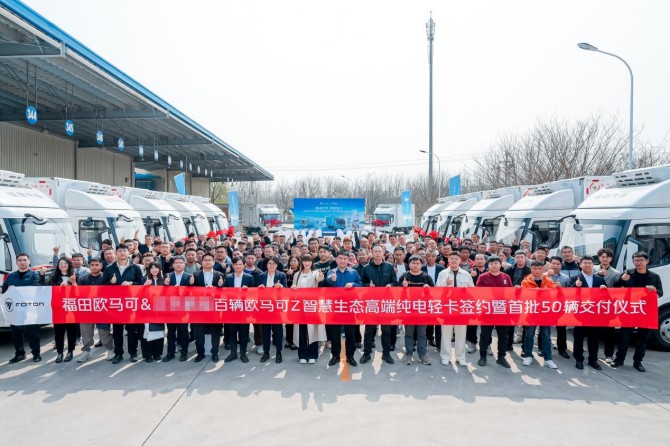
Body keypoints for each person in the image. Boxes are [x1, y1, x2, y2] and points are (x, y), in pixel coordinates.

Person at [612, 251, 663, 372]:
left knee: (642, 339)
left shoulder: (654, 276)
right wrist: (622, 279)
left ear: (647, 261)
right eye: (636, 260)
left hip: (645, 312)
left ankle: (638, 362)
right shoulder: (628, 273)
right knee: (624, 337)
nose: (638, 262)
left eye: (641, 260)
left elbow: (660, 293)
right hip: (629, 310)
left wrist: (654, 290)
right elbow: (616, 286)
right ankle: (619, 359)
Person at [103, 244, 145, 364]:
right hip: (116, 304)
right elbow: (102, 286)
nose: (122, 253)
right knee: (117, 331)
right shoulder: (109, 268)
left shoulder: (135, 267)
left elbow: (141, 284)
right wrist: (111, 283)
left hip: (130, 303)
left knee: (132, 330)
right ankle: (118, 353)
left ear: (128, 252)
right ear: (116, 253)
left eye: (124, 251)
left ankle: (133, 352)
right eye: (119, 251)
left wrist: (131, 283)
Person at [2, 253, 45, 363]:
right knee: (16, 332)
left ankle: (36, 353)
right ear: (16, 262)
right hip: (15, 309)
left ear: (28, 261)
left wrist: (16, 290)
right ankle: (20, 354)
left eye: (24, 260)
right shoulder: (11, 276)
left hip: (30, 309)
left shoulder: (34, 275)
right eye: (20, 260)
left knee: (33, 332)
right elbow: (4, 290)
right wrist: (5, 290)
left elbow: (37, 288)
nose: (22, 262)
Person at [360, 244, 398, 365]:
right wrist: (368, 286)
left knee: (386, 330)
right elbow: (361, 283)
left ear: (383, 253)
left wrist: (390, 285)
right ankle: (366, 353)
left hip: (386, 303)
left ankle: (386, 354)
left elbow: (395, 281)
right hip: (372, 303)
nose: (377, 253)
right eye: (375, 251)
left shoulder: (389, 267)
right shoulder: (366, 268)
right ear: (371, 252)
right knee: (369, 330)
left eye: (379, 251)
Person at [325, 250, 362, 367]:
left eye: (345, 259)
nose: (342, 261)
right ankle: (335, 355)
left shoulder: (353, 272)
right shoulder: (332, 272)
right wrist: (332, 279)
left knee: (350, 333)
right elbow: (328, 280)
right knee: (335, 333)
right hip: (335, 307)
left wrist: (353, 284)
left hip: (349, 307)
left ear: (348, 260)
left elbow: (360, 284)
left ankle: (350, 356)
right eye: (340, 258)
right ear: (336, 259)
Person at [436, 251, 473, 367]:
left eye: (456, 259)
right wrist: (445, 283)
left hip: (461, 307)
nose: (454, 261)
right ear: (448, 260)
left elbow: (473, 290)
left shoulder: (466, 274)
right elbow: (436, 289)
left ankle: (460, 357)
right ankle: (445, 356)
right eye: (452, 258)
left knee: (461, 333)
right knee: (446, 333)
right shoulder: (443, 273)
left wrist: (467, 290)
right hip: (447, 306)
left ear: (460, 260)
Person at [520, 260, 558, 369]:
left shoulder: (549, 281)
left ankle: (548, 358)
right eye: (534, 268)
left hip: (545, 312)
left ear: (543, 269)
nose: (537, 271)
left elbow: (555, 295)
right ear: (531, 269)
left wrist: (557, 288)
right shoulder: (526, 281)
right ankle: (528, 356)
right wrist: (533, 293)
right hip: (531, 312)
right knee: (529, 335)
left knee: (546, 336)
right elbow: (522, 296)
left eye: (539, 269)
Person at [571, 256, 607, 370]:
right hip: (580, 313)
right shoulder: (575, 278)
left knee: (594, 339)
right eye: (585, 263)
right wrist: (575, 286)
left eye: (589, 263)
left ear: (593, 265)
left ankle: (593, 360)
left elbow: (606, 297)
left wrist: (604, 289)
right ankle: (579, 360)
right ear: (580, 265)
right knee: (578, 338)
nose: (587, 265)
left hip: (595, 314)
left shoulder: (600, 279)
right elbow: (567, 295)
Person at [475, 256, 512, 368]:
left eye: (496, 263)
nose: (493, 265)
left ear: (500, 264)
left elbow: (510, 293)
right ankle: (483, 356)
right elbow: (479, 293)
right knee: (485, 335)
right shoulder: (483, 277)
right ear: (488, 265)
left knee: (503, 336)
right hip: (487, 311)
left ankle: (501, 357)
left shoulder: (506, 277)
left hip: (502, 311)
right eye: (491, 263)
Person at [291, 255, 327, 364]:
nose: (307, 263)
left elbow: (320, 278)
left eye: (309, 261)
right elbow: (294, 286)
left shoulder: (315, 273)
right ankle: (302, 354)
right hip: (300, 306)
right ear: (302, 262)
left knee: (312, 331)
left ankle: (312, 355)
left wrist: (321, 276)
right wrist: (293, 287)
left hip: (312, 306)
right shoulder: (297, 274)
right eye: (305, 261)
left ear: (312, 262)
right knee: (301, 331)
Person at [77, 258, 114, 362]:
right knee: (86, 332)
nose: (94, 267)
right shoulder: (83, 278)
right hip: (87, 309)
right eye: (92, 265)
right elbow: (78, 292)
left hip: (101, 309)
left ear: (101, 266)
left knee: (103, 331)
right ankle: (86, 352)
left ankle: (110, 350)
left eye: (97, 265)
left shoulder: (105, 278)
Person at [399, 255, 434, 366]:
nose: (415, 265)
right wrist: (402, 287)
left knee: (422, 334)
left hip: (422, 310)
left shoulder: (426, 277)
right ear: (409, 264)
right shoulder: (404, 277)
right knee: (409, 333)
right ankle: (409, 354)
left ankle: (422, 355)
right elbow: (397, 294)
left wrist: (428, 288)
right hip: (408, 310)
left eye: (417, 263)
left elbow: (433, 294)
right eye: (413, 263)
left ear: (421, 264)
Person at [192, 253, 225, 362]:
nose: (207, 262)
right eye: (205, 260)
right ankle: (200, 354)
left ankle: (215, 353)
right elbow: (191, 290)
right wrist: (190, 283)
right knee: (199, 333)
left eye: (210, 260)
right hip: (199, 308)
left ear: (214, 262)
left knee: (215, 332)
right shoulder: (196, 274)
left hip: (214, 308)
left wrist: (218, 286)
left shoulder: (220, 275)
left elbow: (224, 292)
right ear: (201, 262)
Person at [223, 256, 256, 363]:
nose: (238, 266)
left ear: (244, 265)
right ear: (233, 265)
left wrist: (248, 291)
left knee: (243, 333)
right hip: (232, 309)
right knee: (232, 333)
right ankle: (233, 353)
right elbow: (223, 292)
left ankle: (243, 353)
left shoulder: (249, 277)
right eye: (236, 264)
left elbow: (254, 294)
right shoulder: (228, 277)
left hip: (244, 311)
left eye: (240, 264)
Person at [257, 257, 288, 363]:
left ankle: (278, 352)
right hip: (265, 307)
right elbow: (257, 291)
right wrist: (260, 287)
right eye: (270, 263)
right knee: (265, 331)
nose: (271, 265)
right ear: (267, 265)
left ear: (277, 265)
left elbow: (286, 291)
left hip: (277, 308)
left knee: (278, 331)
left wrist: (281, 286)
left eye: (274, 264)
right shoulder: (261, 275)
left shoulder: (282, 275)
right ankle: (266, 352)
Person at [163, 256, 193, 362]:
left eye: (181, 262)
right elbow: (162, 292)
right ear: (173, 265)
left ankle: (184, 352)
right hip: (171, 309)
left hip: (184, 309)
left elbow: (193, 292)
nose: (179, 264)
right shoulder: (168, 276)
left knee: (183, 331)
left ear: (184, 264)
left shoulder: (189, 276)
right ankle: (170, 353)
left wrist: (191, 284)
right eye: (176, 263)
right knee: (171, 332)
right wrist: (165, 284)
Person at [594, 248, 621, 362]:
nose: (605, 259)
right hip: (593, 304)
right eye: (603, 257)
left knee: (609, 331)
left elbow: (618, 287)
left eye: (607, 257)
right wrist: (598, 274)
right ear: (599, 258)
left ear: (611, 259)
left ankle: (609, 355)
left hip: (608, 305)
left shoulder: (616, 273)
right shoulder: (593, 268)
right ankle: (593, 354)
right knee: (594, 331)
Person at [50, 257, 79, 363]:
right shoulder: (54, 277)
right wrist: (59, 287)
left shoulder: (75, 276)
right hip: (58, 308)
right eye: (60, 263)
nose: (63, 265)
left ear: (69, 265)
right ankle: (59, 353)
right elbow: (47, 289)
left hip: (71, 307)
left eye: (65, 263)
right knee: (58, 332)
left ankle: (70, 351)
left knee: (71, 331)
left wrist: (73, 284)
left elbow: (79, 292)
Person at [546, 256, 571, 359]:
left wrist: (561, 289)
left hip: (560, 306)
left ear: (561, 265)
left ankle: (562, 349)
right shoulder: (544, 276)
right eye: (553, 263)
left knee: (561, 329)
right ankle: (542, 348)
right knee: (545, 328)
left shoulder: (565, 277)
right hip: (546, 306)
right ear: (549, 264)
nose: (555, 266)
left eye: (558, 264)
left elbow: (570, 293)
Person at [141, 262, 166, 362]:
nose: (154, 270)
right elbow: (137, 294)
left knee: (159, 331)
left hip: (160, 311)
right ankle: (147, 355)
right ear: (149, 269)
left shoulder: (163, 280)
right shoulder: (144, 279)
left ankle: (157, 354)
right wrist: (144, 285)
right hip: (147, 310)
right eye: (152, 268)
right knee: (147, 332)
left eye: (156, 268)